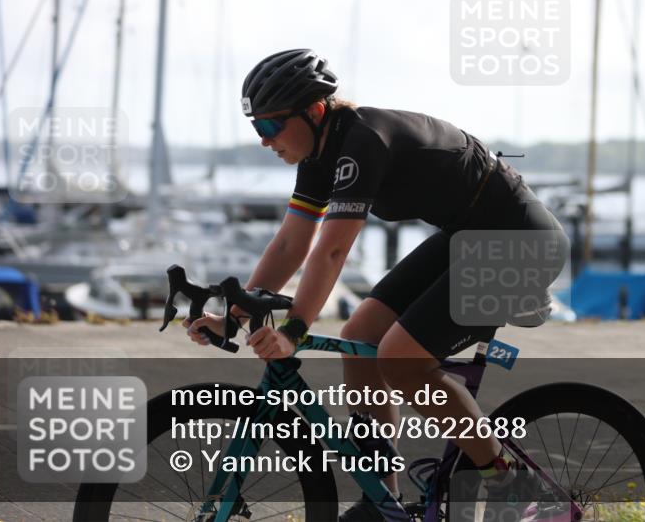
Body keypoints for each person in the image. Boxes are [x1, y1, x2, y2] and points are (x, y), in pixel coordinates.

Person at [183, 48, 568, 521]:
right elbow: (289, 245)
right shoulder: (318, 156)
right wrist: (235, 316)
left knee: (401, 360)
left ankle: (515, 486)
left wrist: (294, 330)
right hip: (469, 238)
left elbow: (331, 251)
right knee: (358, 337)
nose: (265, 140)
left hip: (520, 242)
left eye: (270, 126)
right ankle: (382, 501)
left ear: (315, 110)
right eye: (257, 129)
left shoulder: (365, 141)